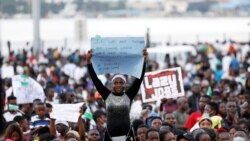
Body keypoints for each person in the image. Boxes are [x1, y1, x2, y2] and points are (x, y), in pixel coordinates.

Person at [87, 49, 148, 141]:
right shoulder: (106, 95)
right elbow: (95, 80)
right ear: (112, 84)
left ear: (124, 84)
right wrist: (89, 62)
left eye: (121, 82)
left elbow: (139, 80)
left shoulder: (129, 95)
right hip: (110, 135)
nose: (118, 85)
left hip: (127, 134)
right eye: (116, 82)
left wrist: (144, 61)